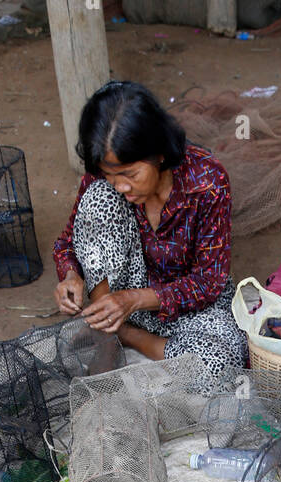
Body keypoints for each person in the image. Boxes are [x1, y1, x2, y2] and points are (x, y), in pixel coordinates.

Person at [52, 80, 246, 386]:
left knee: (222, 362)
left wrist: (133, 301)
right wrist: (70, 276)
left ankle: (123, 334)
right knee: (97, 198)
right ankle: (106, 329)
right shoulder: (102, 180)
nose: (121, 186)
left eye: (130, 174)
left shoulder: (207, 181)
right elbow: (67, 243)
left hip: (187, 307)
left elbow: (209, 282)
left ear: (159, 155)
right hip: (123, 298)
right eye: (110, 174)